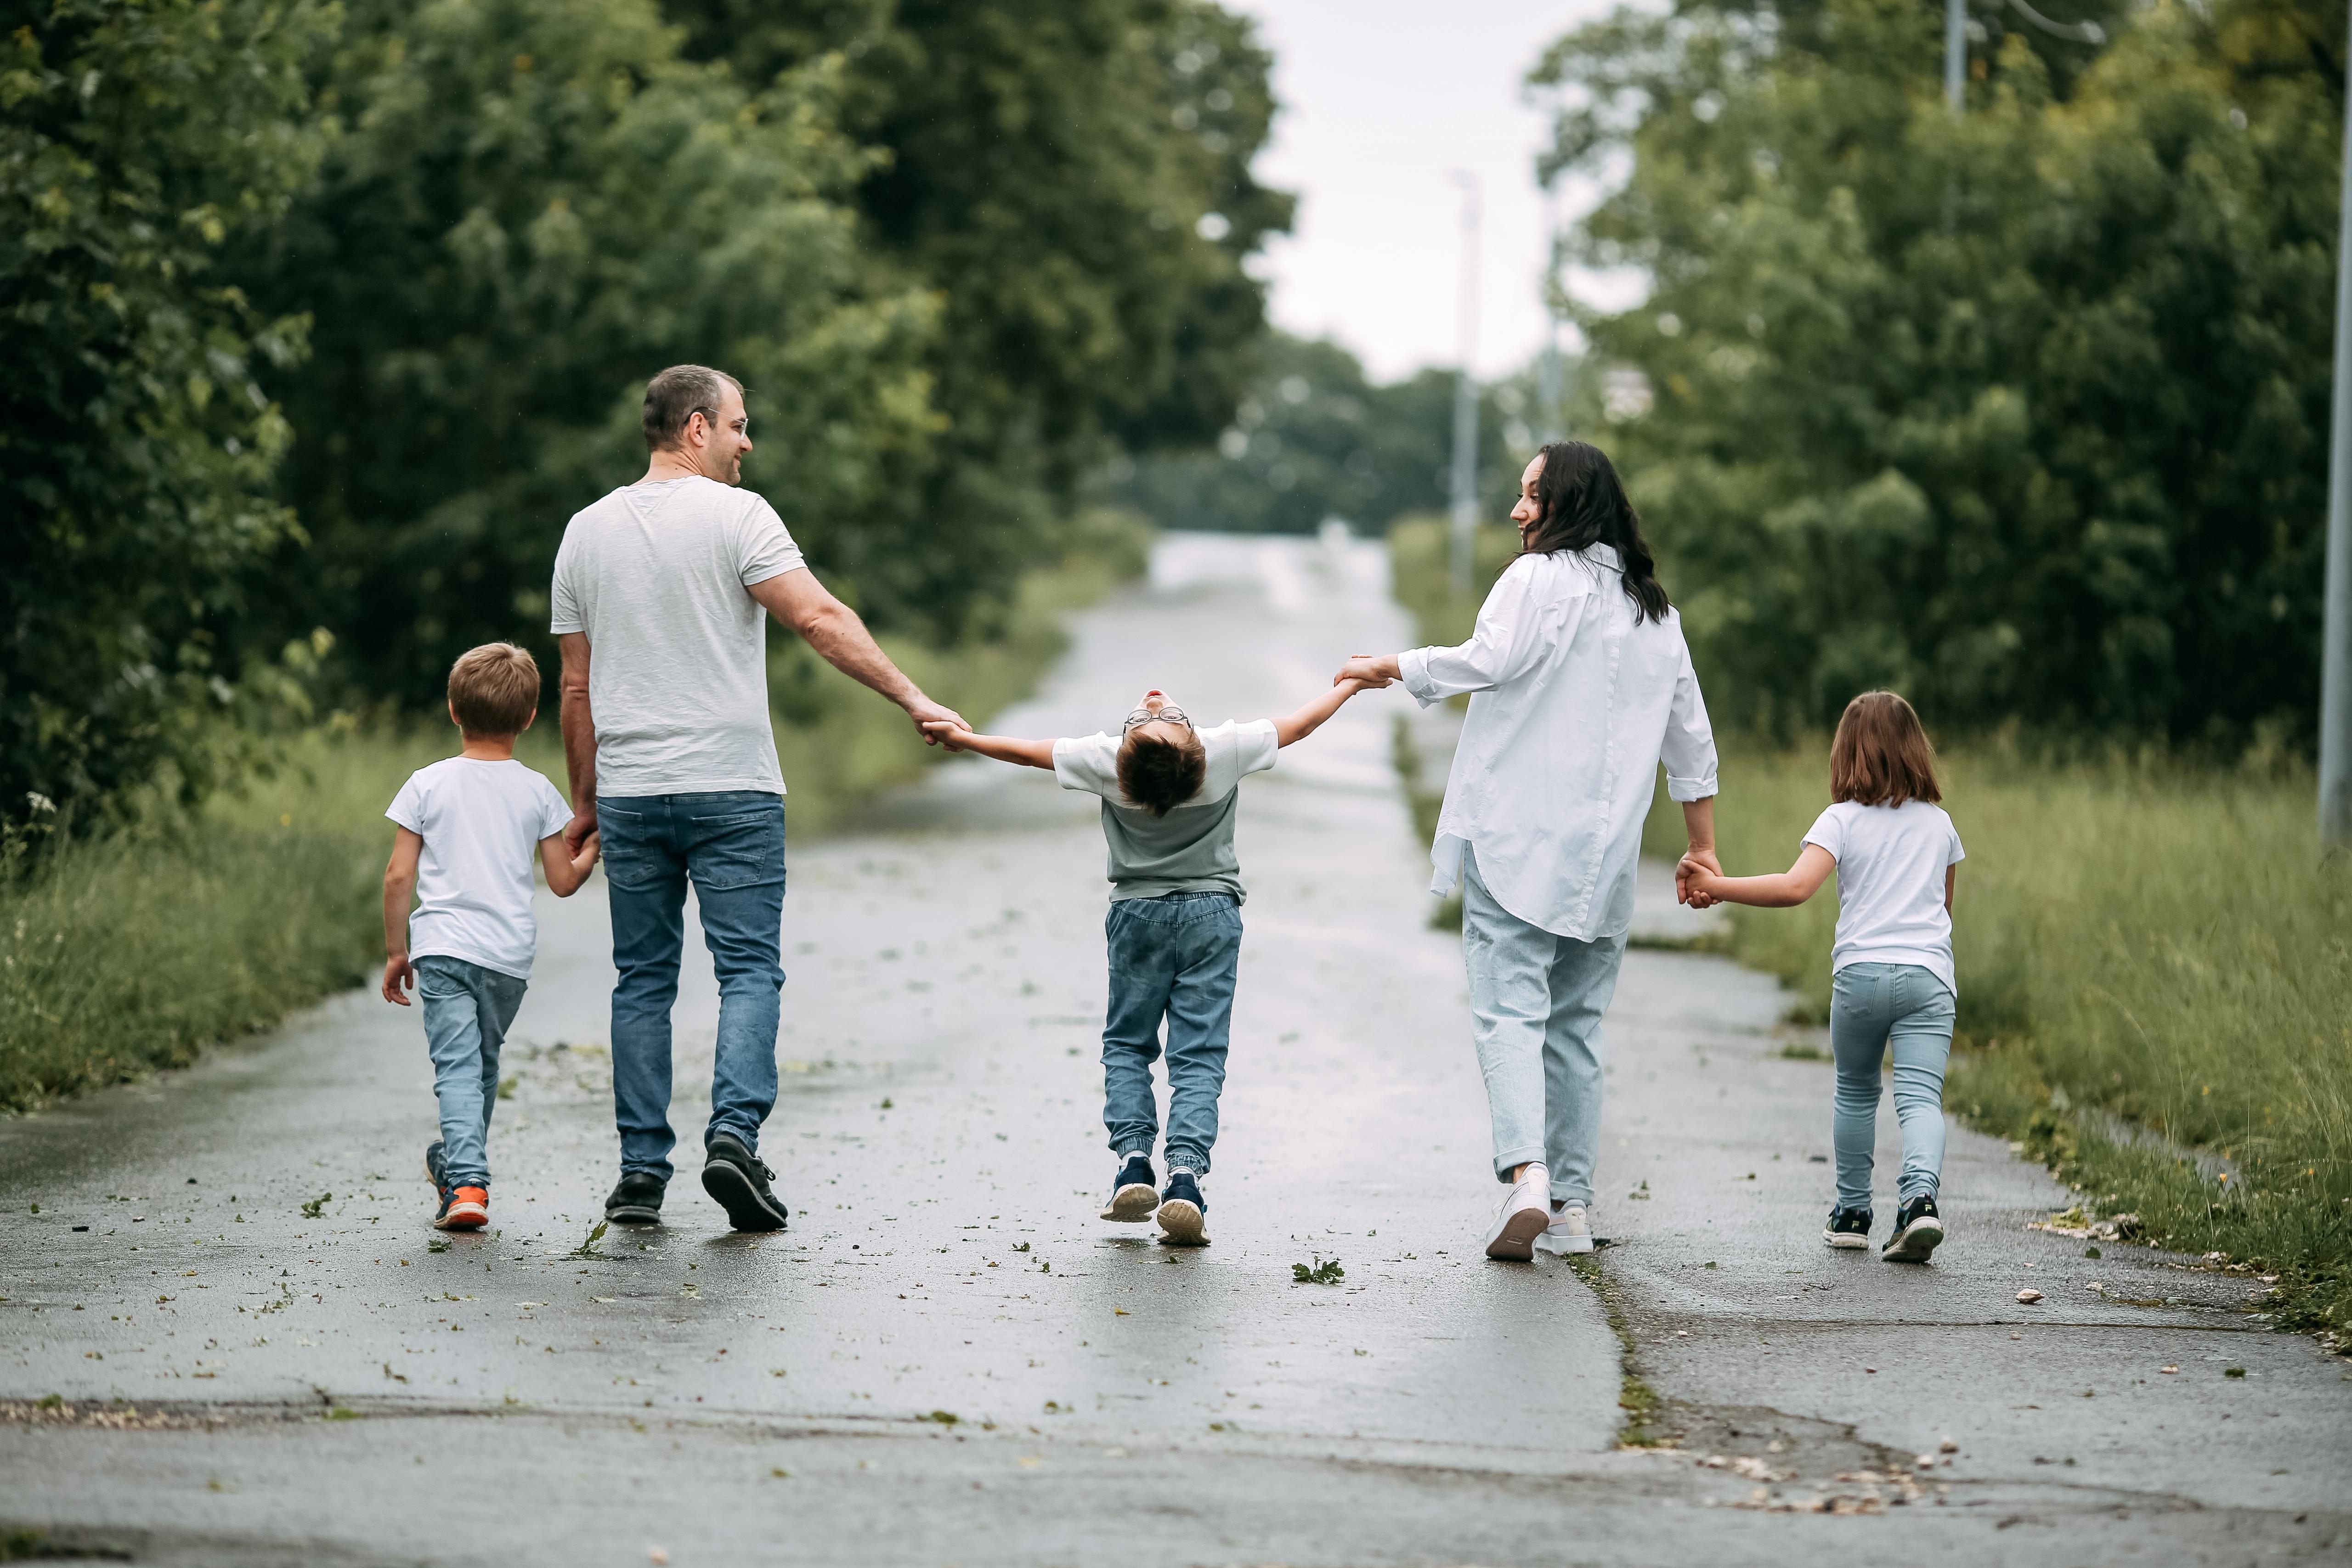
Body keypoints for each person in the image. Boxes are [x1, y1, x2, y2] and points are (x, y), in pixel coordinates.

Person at [551, 365, 966, 1233]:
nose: (749, 443)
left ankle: (638, 1172)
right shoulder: (742, 517)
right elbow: (818, 618)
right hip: (732, 786)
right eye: (740, 425)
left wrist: (584, 799)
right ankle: (733, 1137)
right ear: (696, 427)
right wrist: (913, 697)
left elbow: (577, 687)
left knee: (643, 978)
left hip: (631, 790)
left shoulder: (585, 532)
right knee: (747, 970)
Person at [1336, 441, 1719, 1262]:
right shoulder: (1655, 611)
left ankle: (1528, 1174)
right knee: (1576, 1028)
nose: (1517, 510)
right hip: (1607, 859)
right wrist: (1702, 851)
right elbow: (1693, 743)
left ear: (1567, 502)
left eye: (1530, 495)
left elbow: (1488, 660)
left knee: (1509, 1010)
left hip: (1517, 836)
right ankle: (1574, 1207)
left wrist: (1392, 667)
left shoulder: (1536, 581)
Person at [921, 680, 1374, 1245]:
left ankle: (1134, 1162)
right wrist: (1352, 683)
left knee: (1128, 1045)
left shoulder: (1109, 764)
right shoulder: (1223, 752)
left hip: (1137, 915)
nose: (1155, 704)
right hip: (1213, 915)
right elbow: (1302, 724)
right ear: (1194, 744)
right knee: (1198, 1054)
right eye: (1157, 716)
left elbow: (1026, 752)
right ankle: (1184, 1179)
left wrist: (967, 740)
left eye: (1151, 717)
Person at [1678, 691, 1963, 1263]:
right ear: (1915, 751)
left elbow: (1794, 888)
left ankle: (1853, 1213)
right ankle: (1919, 1204)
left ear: (1845, 754)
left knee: (1856, 1092)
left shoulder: (1840, 820)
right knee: (1919, 1098)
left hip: (1859, 977)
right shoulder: (1940, 826)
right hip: (1928, 977)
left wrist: (1716, 885)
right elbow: (1943, 910)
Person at [382, 643, 601, 1231]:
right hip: (507, 958)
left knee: (458, 1066)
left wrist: (397, 950)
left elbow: (399, 874)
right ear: (529, 719)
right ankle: (460, 1171)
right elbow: (560, 882)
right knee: (480, 1064)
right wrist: (591, 855)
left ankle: (467, 1182)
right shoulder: (536, 791)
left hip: (443, 948)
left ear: (454, 709)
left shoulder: (426, 785)